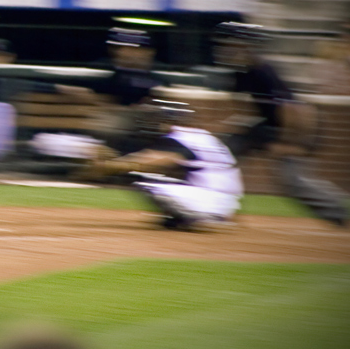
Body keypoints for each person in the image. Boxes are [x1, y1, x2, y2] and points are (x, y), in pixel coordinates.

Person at [213, 21, 348, 227]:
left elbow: (296, 110)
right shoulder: (240, 73)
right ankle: (215, 205)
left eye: (230, 45)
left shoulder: (263, 71)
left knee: (292, 181)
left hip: (296, 128)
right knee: (223, 153)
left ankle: (337, 210)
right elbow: (241, 106)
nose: (225, 50)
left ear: (245, 46)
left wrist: (290, 143)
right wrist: (233, 129)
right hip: (268, 126)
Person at [80, 99, 243, 231]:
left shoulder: (180, 136)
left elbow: (149, 162)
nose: (156, 123)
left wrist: (109, 166)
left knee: (144, 179)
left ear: (171, 120)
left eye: (160, 119)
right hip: (225, 200)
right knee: (154, 176)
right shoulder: (200, 136)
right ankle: (199, 215)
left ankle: (194, 215)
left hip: (208, 198)